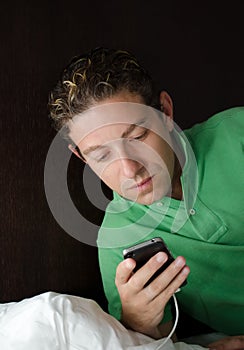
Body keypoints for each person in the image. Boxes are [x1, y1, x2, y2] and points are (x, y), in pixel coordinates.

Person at [48, 47, 244, 349]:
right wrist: (139, 322)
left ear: (165, 112)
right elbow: (163, 341)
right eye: (101, 155)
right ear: (80, 157)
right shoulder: (116, 241)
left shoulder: (238, 136)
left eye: (137, 136)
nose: (129, 169)